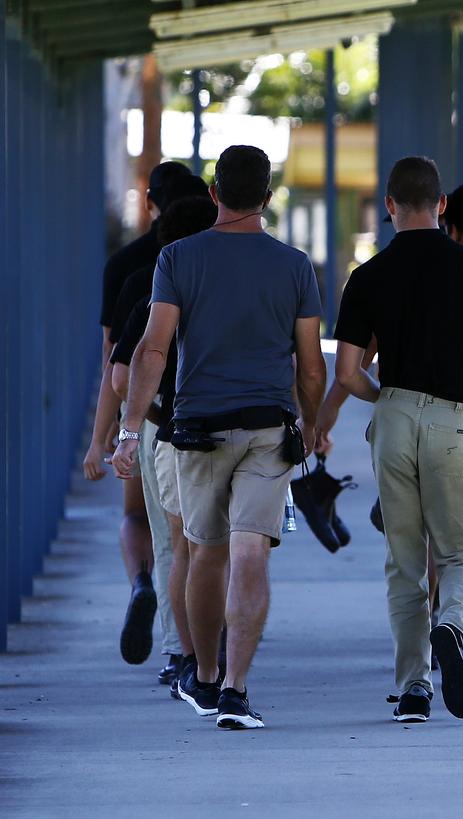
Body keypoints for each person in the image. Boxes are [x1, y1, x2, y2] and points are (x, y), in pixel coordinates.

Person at [111, 145, 326, 730]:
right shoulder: (295, 265)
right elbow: (310, 365)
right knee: (252, 552)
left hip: (197, 429)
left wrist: (129, 432)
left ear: (213, 194)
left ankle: (203, 676)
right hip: (268, 428)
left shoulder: (177, 258)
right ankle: (236, 688)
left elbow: (152, 349)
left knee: (205, 553)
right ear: (269, 196)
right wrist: (314, 425)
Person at [333, 156, 463, 723]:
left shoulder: (367, 276)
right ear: (442, 206)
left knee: (403, 561)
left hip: (394, 416)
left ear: (389, 206)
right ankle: (455, 626)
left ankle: (413, 688)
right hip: (456, 417)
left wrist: (387, 397)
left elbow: (347, 372)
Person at [83, 161, 191, 666]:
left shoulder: (129, 269)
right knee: (208, 538)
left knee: (141, 518)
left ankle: (143, 584)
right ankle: (203, 644)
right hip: (219, 417)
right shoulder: (216, 268)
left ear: (151, 204)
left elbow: (115, 364)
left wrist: (104, 434)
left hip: (149, 418)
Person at [110, 192, 218, 689]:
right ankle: (216, 657)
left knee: (174, 544)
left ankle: (182, 654)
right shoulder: (226, 283)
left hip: (168, 430)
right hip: (234, 425)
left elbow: (117, 379)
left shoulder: (147, 288)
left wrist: (133, 426)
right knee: (224, 550)